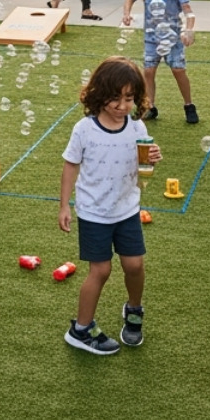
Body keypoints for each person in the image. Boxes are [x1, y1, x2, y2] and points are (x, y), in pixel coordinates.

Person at [58, 56, 160, 355]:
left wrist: (152, 159)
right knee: (100, 271)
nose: (122, 106)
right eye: (115, 98)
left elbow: (144, 167)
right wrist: (64, 206)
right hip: (93, 212)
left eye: (129, 98)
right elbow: (70, 166)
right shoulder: (84, 129)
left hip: (126, 209)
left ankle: (134, 310)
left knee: (135, 264)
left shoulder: (137, 128)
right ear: (99, 94)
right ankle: (80, 329)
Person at [120, 0, 197, 124]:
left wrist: (188, 29)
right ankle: (149, 106)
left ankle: (189, 105)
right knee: (148, 71)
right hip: (151, 38)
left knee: (179, 70)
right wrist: (126, 13)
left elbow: (188, 12)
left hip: (173, 38)